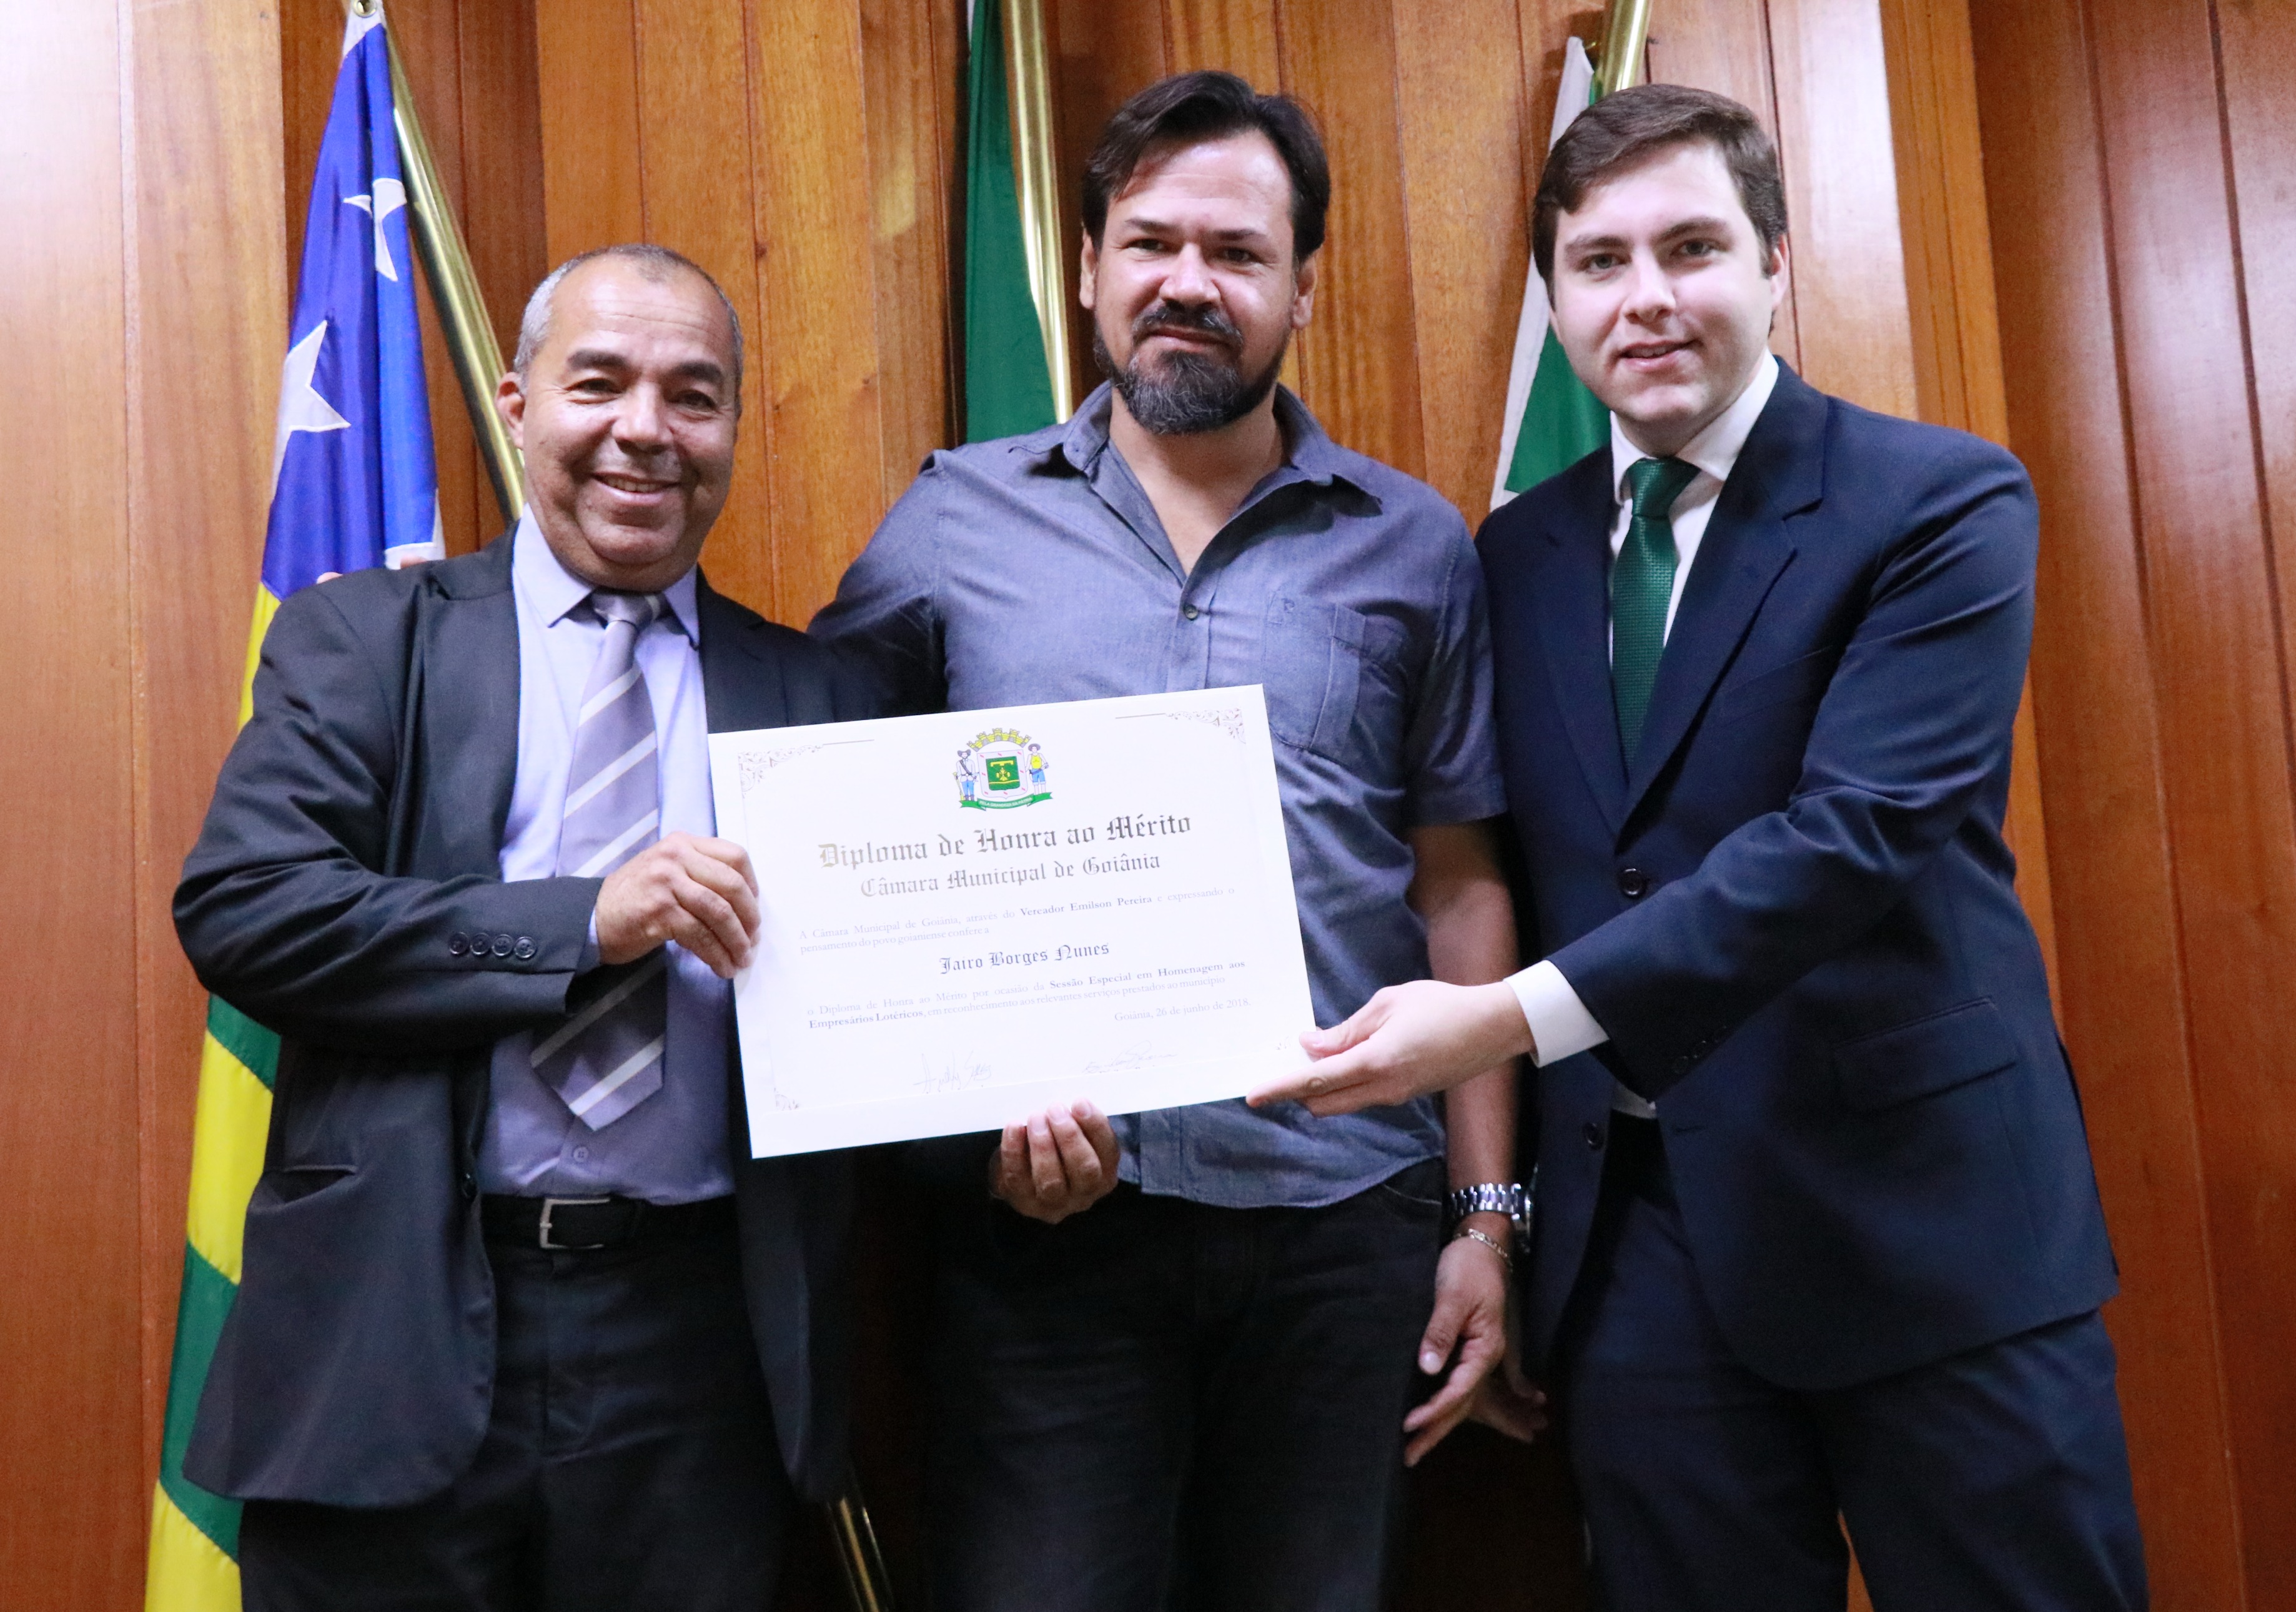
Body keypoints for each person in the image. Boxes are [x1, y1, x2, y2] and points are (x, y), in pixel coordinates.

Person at [1250, 84, 2148, 1611]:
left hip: (1923, 1230)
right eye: (1598, 262)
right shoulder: (1514, 554)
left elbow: (1848, 840)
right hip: (1641, 1264)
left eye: (1691, 248)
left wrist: (1502, 1017)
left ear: (1775, 262)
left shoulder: (1936, 501)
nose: (1645, 298)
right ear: (1555, 299)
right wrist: (1499, 1222)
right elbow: (1499, 869)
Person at [811, 69, 1528, 1612]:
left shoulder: (1413, 545)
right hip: (1054, 1226)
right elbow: (830, 837)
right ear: (1087, 268)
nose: (1187, 283)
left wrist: (1487, 1219)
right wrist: (962, 1125)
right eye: (1149, 243)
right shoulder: (951, 523)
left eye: (1237, 251)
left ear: (1303, 286)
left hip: (1346, 1221)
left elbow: (1458, 882)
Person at [175, 244, 874, 1612]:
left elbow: (893, 1011)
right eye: (597, 383)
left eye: (693, 395)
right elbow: (247, 909)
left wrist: (1026, 1127)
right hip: (394, 1330)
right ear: (516, 402)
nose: (645, 430)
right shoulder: (365, 641)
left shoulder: (821, 696)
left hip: (700, 1356)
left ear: (732, 427)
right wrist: (582, 921)